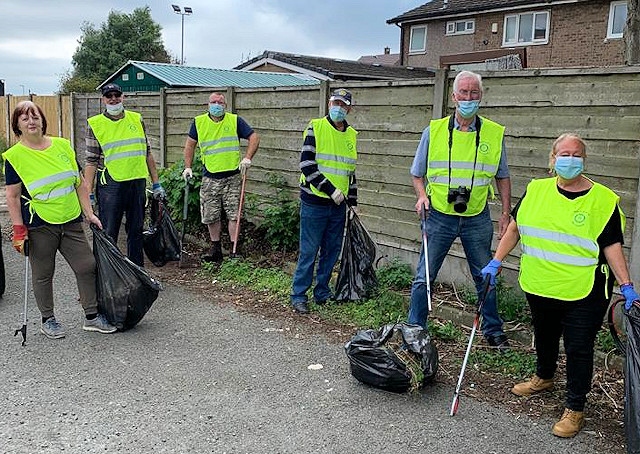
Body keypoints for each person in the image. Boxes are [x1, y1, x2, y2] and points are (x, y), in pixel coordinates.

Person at [481, 133, 639, 438]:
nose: (570, 159)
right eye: (563, 154)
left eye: (576, 154)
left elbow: (612, 245)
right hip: (540, 284)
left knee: (579, 348)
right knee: (545, 335)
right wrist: (496, 260)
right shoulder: (536, 190)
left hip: (585, 290)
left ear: (584, 159)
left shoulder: (602, 200)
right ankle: (544, 377)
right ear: (552, 160)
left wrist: (627, 285)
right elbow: (515, 227)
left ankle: (575, 409)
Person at [407, 70, 512, 349]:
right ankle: (415, 329)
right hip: (439, 214)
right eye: (463, 93)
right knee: (424, 276)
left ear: (481, 96)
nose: (468, 98)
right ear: (453, 97)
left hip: (476, 216)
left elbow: (502, 176)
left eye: (473, 93)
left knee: (485, 274)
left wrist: (505, 213)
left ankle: (493, 330)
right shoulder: (434, 131)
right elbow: (417, 173)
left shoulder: (493, 133)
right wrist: (421, 197)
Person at [3, 101, 117, 339]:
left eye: (35, 117)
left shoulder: (63, 146)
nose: (31, 122)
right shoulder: (14, 156)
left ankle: (92, 316)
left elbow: (80, 184)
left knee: (87, 266)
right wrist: (18, 230)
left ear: (43, 120)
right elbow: (12, 196)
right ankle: (48, 319)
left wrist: (89, 213)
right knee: (43, 273)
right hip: (39, 224)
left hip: (71, 220)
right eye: (25, 119)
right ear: (17, 126)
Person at [290, 88, 357, 314]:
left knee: (331, 251)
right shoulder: (316, 127)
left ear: (349, 108)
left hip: (338, 206)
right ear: (329, 104)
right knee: (309, 251)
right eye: (335, 103)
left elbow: (350, 173)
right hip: (314, 202)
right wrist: (330, 190)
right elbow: (307, 165)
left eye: (343, 105)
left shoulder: (351, 135)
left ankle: (322, 292)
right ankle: (299, 294)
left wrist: (353, 203)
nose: (338, 108)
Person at [83, 83, 164, 267]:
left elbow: (147, 153)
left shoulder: (136, 119)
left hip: (137, 183)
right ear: (103, 99)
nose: (113, 99)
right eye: (109, 96)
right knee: (108, 230)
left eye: (116, 95)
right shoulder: (95, 124)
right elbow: (91, 160)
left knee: (135, 230)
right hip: (111, 185)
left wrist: (156, 183)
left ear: (123, 97)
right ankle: (108, 273)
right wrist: (88, 193)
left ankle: (137, 271)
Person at [181, 92, 260, 262]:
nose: (217, 105)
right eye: (213, 102)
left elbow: (253, 137)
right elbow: (189, 146)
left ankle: (234, 250)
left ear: (225, 105)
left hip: (232, 176)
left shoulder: (235, 121)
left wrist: (247, 157)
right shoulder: (198, 122)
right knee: (211, 214)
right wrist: (188, 167)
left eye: (220, 102)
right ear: (208, 104)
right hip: (210, 176)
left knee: (234, 214)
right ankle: (215, 249)